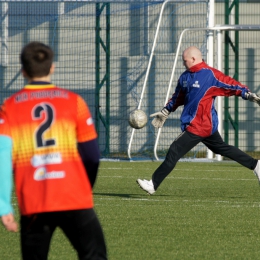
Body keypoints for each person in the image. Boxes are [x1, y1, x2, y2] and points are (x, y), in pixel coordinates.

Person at [0, 41, 107, 260]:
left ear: (23, 71)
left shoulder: (9, 108)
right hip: (73, 196)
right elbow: (92, 155)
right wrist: (86, 186)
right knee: (94, 255)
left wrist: (3, 205)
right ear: (52, 67)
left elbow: (2, 158)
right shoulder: (74, 102)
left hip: (34, 200)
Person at [136, 46, 260, 195]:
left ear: (193, 59)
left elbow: (230, 84)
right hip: (204, 126)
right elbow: (178, 97)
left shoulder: (210, 75)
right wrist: (166, 110)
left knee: (174, 150)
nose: (183, 64)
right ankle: (256, 165)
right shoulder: (185, 77)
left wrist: (247, 94)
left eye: (185, 61)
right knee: (220, 148)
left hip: (200, 125)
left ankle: (153, 184)